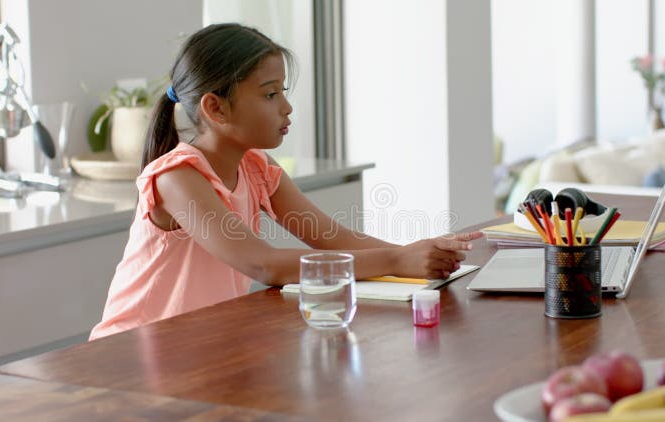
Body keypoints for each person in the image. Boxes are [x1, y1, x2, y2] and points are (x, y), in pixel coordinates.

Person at [90, 23, 482, 340]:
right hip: (131, 353)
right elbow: (264, 264)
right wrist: (398, 260)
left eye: (283, 91)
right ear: (216, 107)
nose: (287, 106)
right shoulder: (177, 177)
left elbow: (332, 237)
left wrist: (415, 255)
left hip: (198, 345)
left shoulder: (257, 168)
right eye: (270, 94)